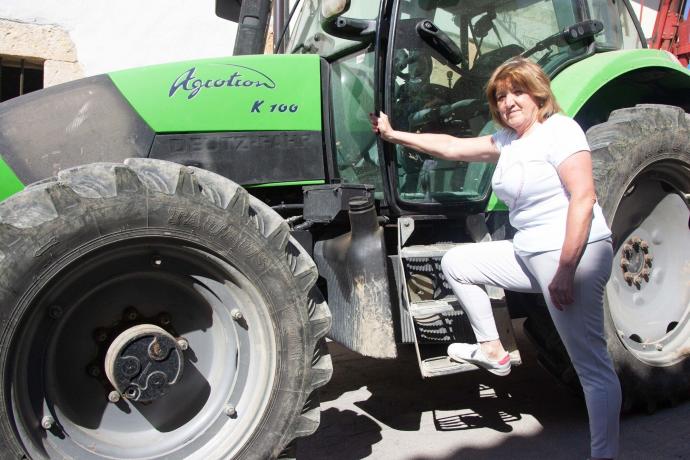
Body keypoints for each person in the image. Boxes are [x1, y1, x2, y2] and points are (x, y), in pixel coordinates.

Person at [370, 57, 621, 460]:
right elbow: (452, 147)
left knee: (591, 367)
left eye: (516, 91)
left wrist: (565, 269)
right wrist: (395, 135)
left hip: (571, 254)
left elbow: (584, 198)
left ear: (538, 93)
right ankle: (493, 351)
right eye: (500, 96)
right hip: (528, 252)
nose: (508, 102)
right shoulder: (508, 141)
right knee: (458, 264)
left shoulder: (560, 130)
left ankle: (604, 454)